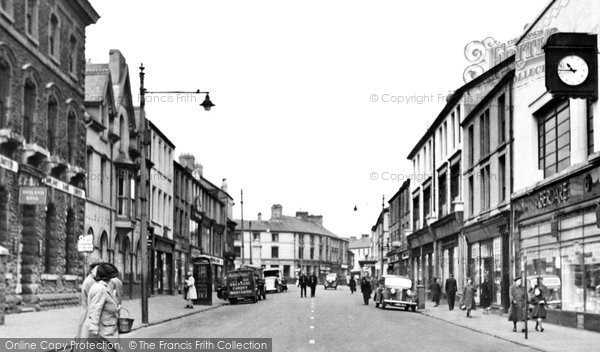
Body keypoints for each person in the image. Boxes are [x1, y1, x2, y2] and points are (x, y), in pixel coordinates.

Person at [85, 263, 120, 338]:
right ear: (107, 277)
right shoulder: (100, 289)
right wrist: (93, 328)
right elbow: (95, 308)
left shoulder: (103, 287)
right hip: (104, 332)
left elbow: (105, 305)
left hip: (108, 329)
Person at [76, 262, 101, 339]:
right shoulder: (90, 282)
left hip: (85, 312)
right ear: (91, 270)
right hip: (87, 312)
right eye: (96, 270)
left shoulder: (90, 280)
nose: (98, 272)